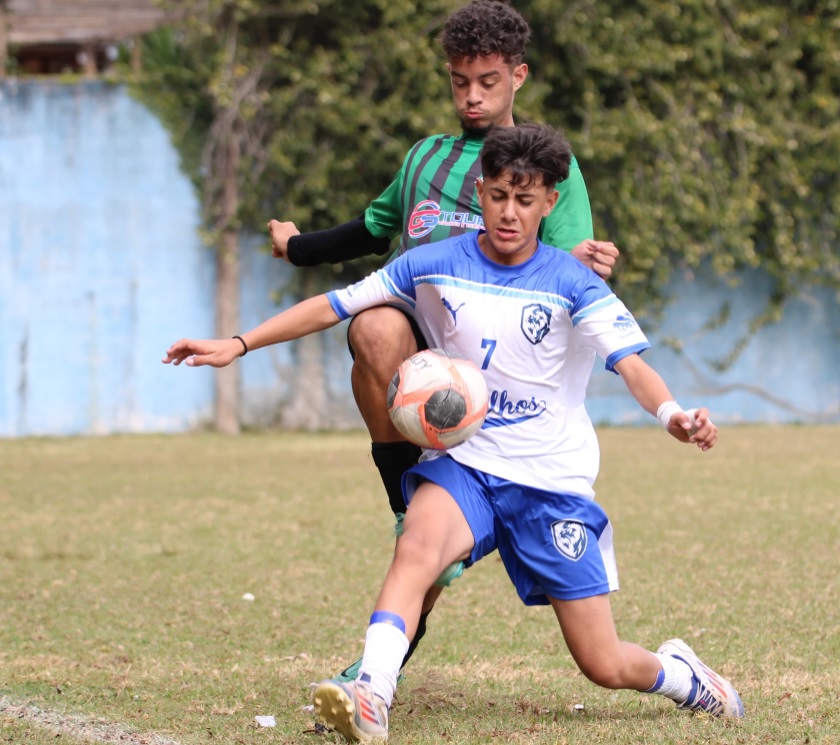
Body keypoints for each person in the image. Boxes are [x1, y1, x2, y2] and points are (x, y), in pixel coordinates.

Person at [164, 123, 744, 742]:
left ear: (549, 202)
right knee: (416, 549)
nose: (510, 213)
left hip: (550, 480)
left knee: (603, 663)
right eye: (498, 196)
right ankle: (372, 695)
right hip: (469, 465)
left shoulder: (574, 283)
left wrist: (674, 417)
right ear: (482, 190)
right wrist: (237, 343)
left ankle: (682, 675)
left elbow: (632, 366)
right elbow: (337, 303)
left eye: (526, 201)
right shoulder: (437, 261)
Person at [265, 0, 618, 683]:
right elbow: (373, 228)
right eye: (459, 81)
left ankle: (371, 668)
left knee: (431, 547)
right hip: (424, 364)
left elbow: (569, 260)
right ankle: (400, 503)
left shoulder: (543, 166)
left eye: (487, 81)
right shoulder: (425, 157)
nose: (472, 95)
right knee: (373, 325)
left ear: (519, 76)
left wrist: (588, 260)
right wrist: (298, 245)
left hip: (504, 374)